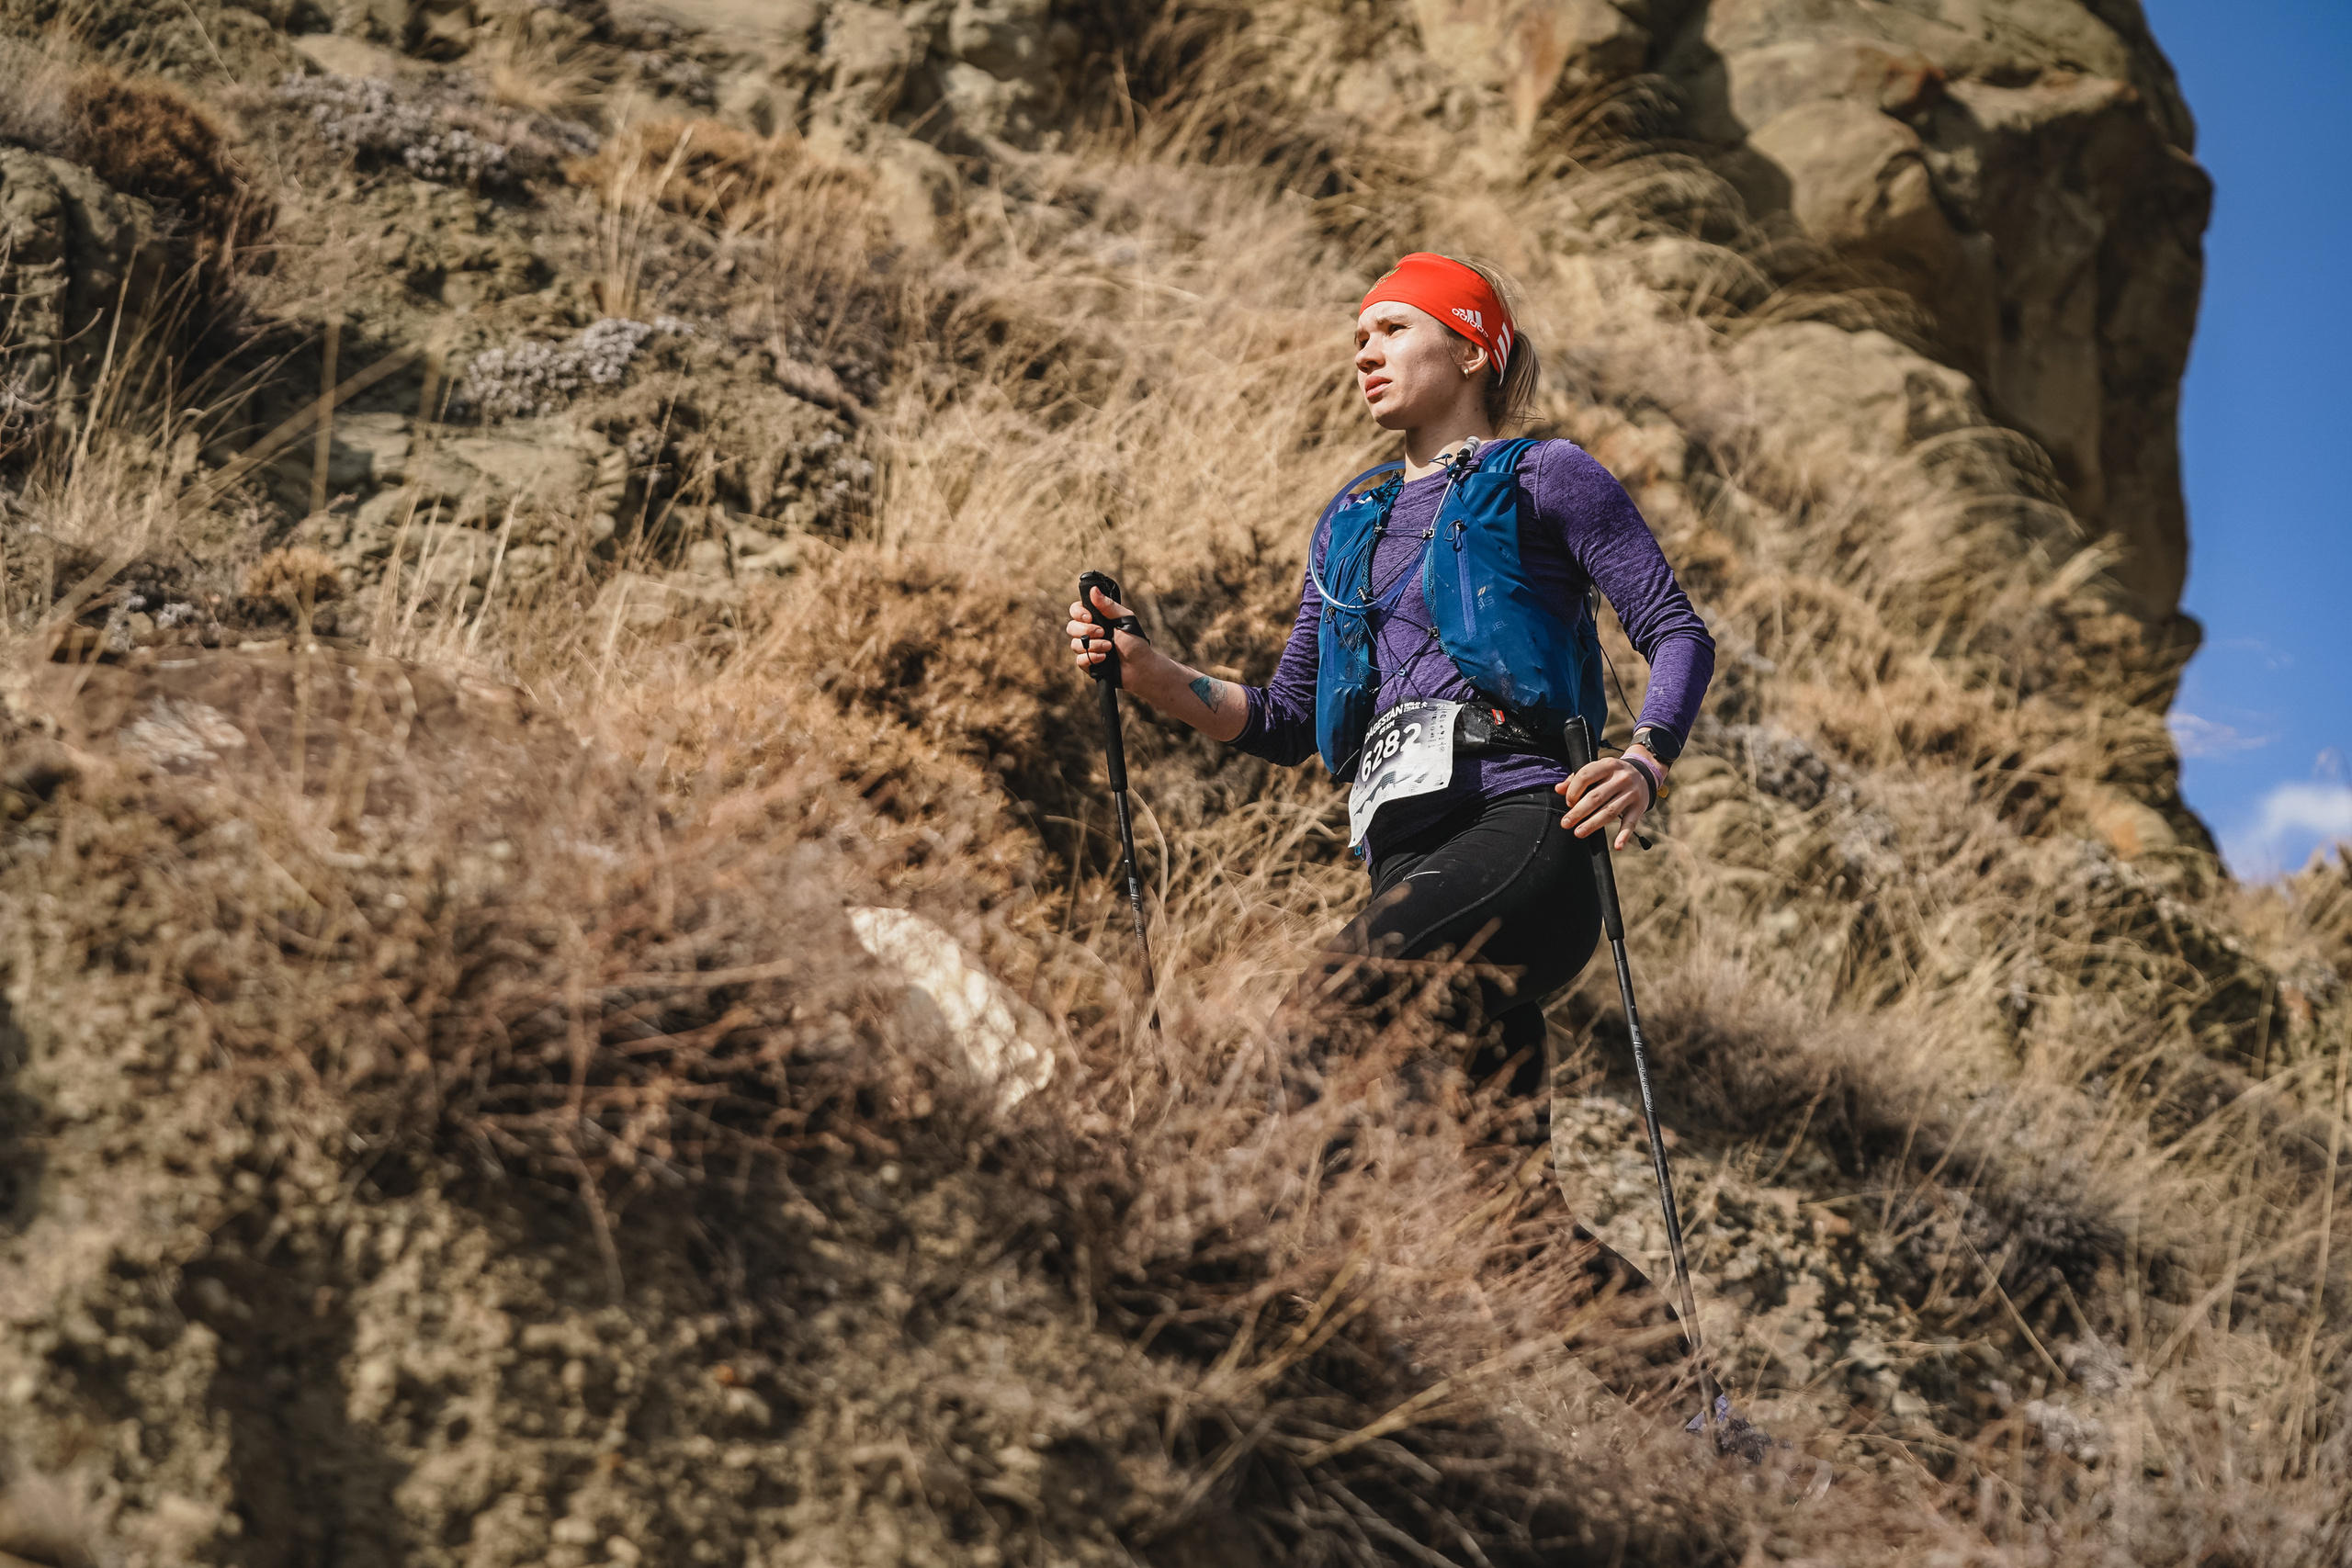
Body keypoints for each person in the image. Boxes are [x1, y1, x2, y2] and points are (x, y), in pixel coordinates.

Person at [1060, 253, 1719, 1410]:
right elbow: (1280, 719)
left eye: (1391, 328)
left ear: (1470, 349)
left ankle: (1236, 1271)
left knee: (1329, 1001)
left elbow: (1675, 632)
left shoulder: (1545, 477)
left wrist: (1643, 759)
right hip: (1410, 868)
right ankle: (1709, 1430)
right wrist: (1146, 669)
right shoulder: (1351, 520)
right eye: (1357, 334)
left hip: (1525, 832)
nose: (1362, 349)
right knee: (1509, 1228)